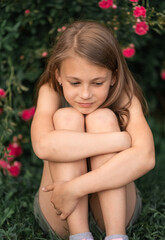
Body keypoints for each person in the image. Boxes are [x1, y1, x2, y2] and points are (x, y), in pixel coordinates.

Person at [31, 21, 155, 240]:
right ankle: (79, 235)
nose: (86, 94)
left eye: (97, 83)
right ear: (58, 75)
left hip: (113, 212)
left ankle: (117, 236)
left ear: (113, 77)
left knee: (103, 118)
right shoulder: (50, 91)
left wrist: (74, 189)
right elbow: (43, 146)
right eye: (75, 83)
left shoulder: (124, 95)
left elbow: (145, 157)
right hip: (59, 210)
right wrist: (121, 141)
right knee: (66, 117)